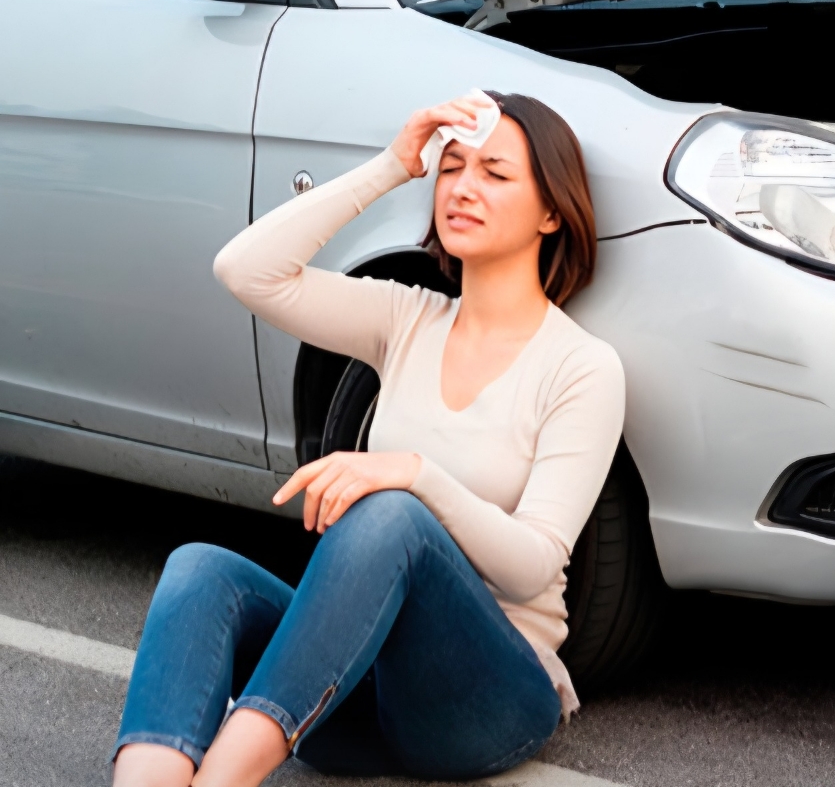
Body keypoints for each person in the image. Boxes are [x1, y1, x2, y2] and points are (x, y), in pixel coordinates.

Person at [109, 92, 625, 787]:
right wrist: (392, 165)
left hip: (486, 706)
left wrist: (415, 473)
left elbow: (533, 567)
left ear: (552, 211)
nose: (464, 188)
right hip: (358, 695)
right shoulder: (405, 317)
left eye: (496, 174)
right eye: (451, 170)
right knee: (202, 570)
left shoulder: (582, 367)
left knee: (393, 513)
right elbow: (246, 270)